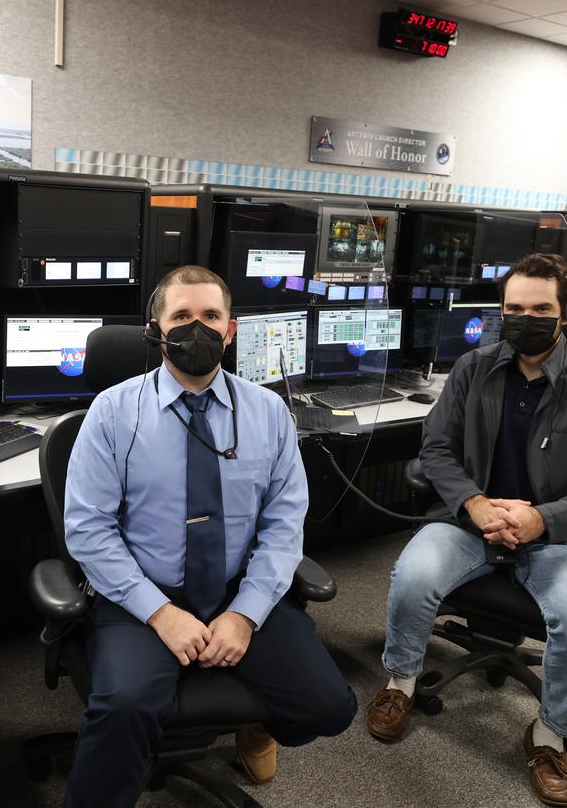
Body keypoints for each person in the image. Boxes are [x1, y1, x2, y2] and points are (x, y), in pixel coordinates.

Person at [62, 265, 357, 807]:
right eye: (181, 316)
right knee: (125, 706)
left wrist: (245, 613)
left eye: (210, 317)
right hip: (143, 595)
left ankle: (257, 725)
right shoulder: (111, 411)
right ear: (156, 328)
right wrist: (160, 612)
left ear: (231, 329)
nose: (195, 328)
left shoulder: (268, 412)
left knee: (330, 707)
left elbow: (284, 525)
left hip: (234, 589)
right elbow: (88, 529)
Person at [366, 253, 567, 807]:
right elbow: (436, 450)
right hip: (470, 522)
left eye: (541, 308)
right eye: (514, 308)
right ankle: (401, 682)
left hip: (558, 536)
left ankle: (551, 734)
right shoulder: (474, 369)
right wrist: (472, 502)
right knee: (413, 576)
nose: (526, 318)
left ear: (566, 314)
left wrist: (545, 517)